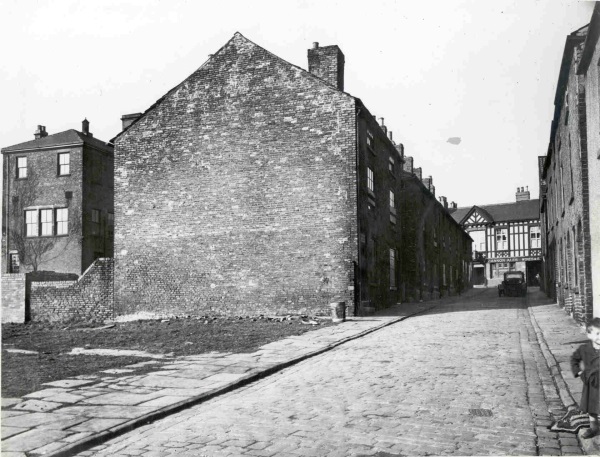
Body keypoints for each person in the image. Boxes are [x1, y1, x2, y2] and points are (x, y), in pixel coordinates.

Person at [570, 317, 600, 438]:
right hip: (591, 383)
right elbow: (574, 359)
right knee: (591, 406)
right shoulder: (584, 349)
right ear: (589, 334)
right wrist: (579, 372)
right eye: (597, 333)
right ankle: (594, 428)